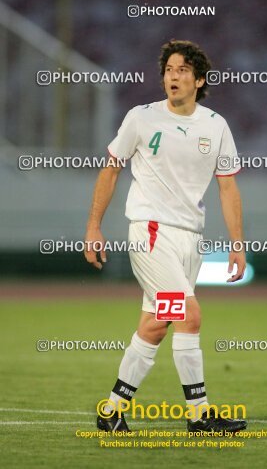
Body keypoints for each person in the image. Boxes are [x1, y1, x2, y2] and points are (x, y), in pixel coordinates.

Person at [84, 39, 247, 434]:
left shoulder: (215, 126)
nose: (172, 76)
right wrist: (93, 226)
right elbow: (111, 169)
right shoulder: (141, 118)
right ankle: (199, 415)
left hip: (189, 239)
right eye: (169, 70)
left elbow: (227, 187)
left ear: (199, 80)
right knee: (189, 316)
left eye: (182, 70)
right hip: (151, 233)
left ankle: (112, 411)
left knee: (157, 323)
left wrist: (237, 243)